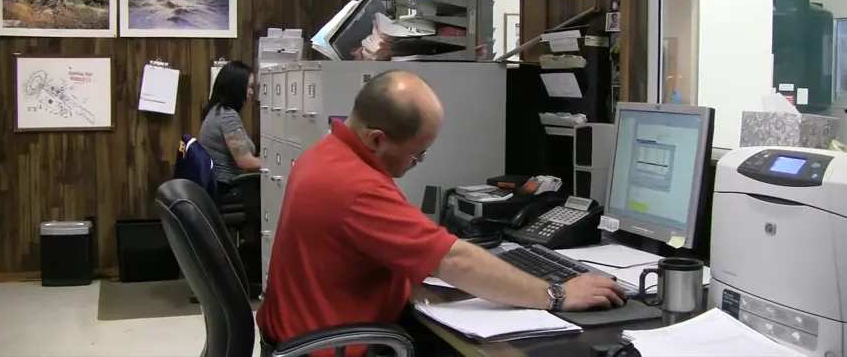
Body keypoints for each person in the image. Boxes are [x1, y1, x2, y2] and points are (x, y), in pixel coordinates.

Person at [257, 70, 625, 356]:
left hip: (307, 334)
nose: (418, 164)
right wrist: (557, 294)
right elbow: (454, 260)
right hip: (335, 348)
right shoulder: (354, 185)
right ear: (376, 139)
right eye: (417, 154)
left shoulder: (324, 154)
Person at [199, 60, 259, 196]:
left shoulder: (217, 110)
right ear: (236, 88)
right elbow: (245, 162)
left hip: (218, 185)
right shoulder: (227, 116)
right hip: (226, 188)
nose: (251, 93)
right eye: (248, 87)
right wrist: (278, 164)